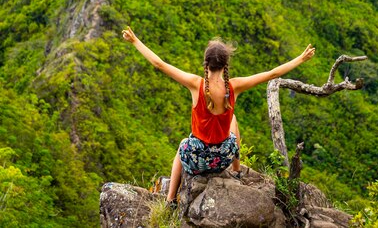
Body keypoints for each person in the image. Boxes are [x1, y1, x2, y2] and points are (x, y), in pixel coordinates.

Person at [122, 27, 315, 203]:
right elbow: (272, 73)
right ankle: (237, 170)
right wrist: (301, 58)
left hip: (198, 159)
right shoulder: (234, 87)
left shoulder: (195, 84)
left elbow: (159, 64)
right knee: (233, 118)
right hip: (223, 158)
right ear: (226, 64)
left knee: (182, 145)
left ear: (206, 64)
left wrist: (135, 40)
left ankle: (170, 199)